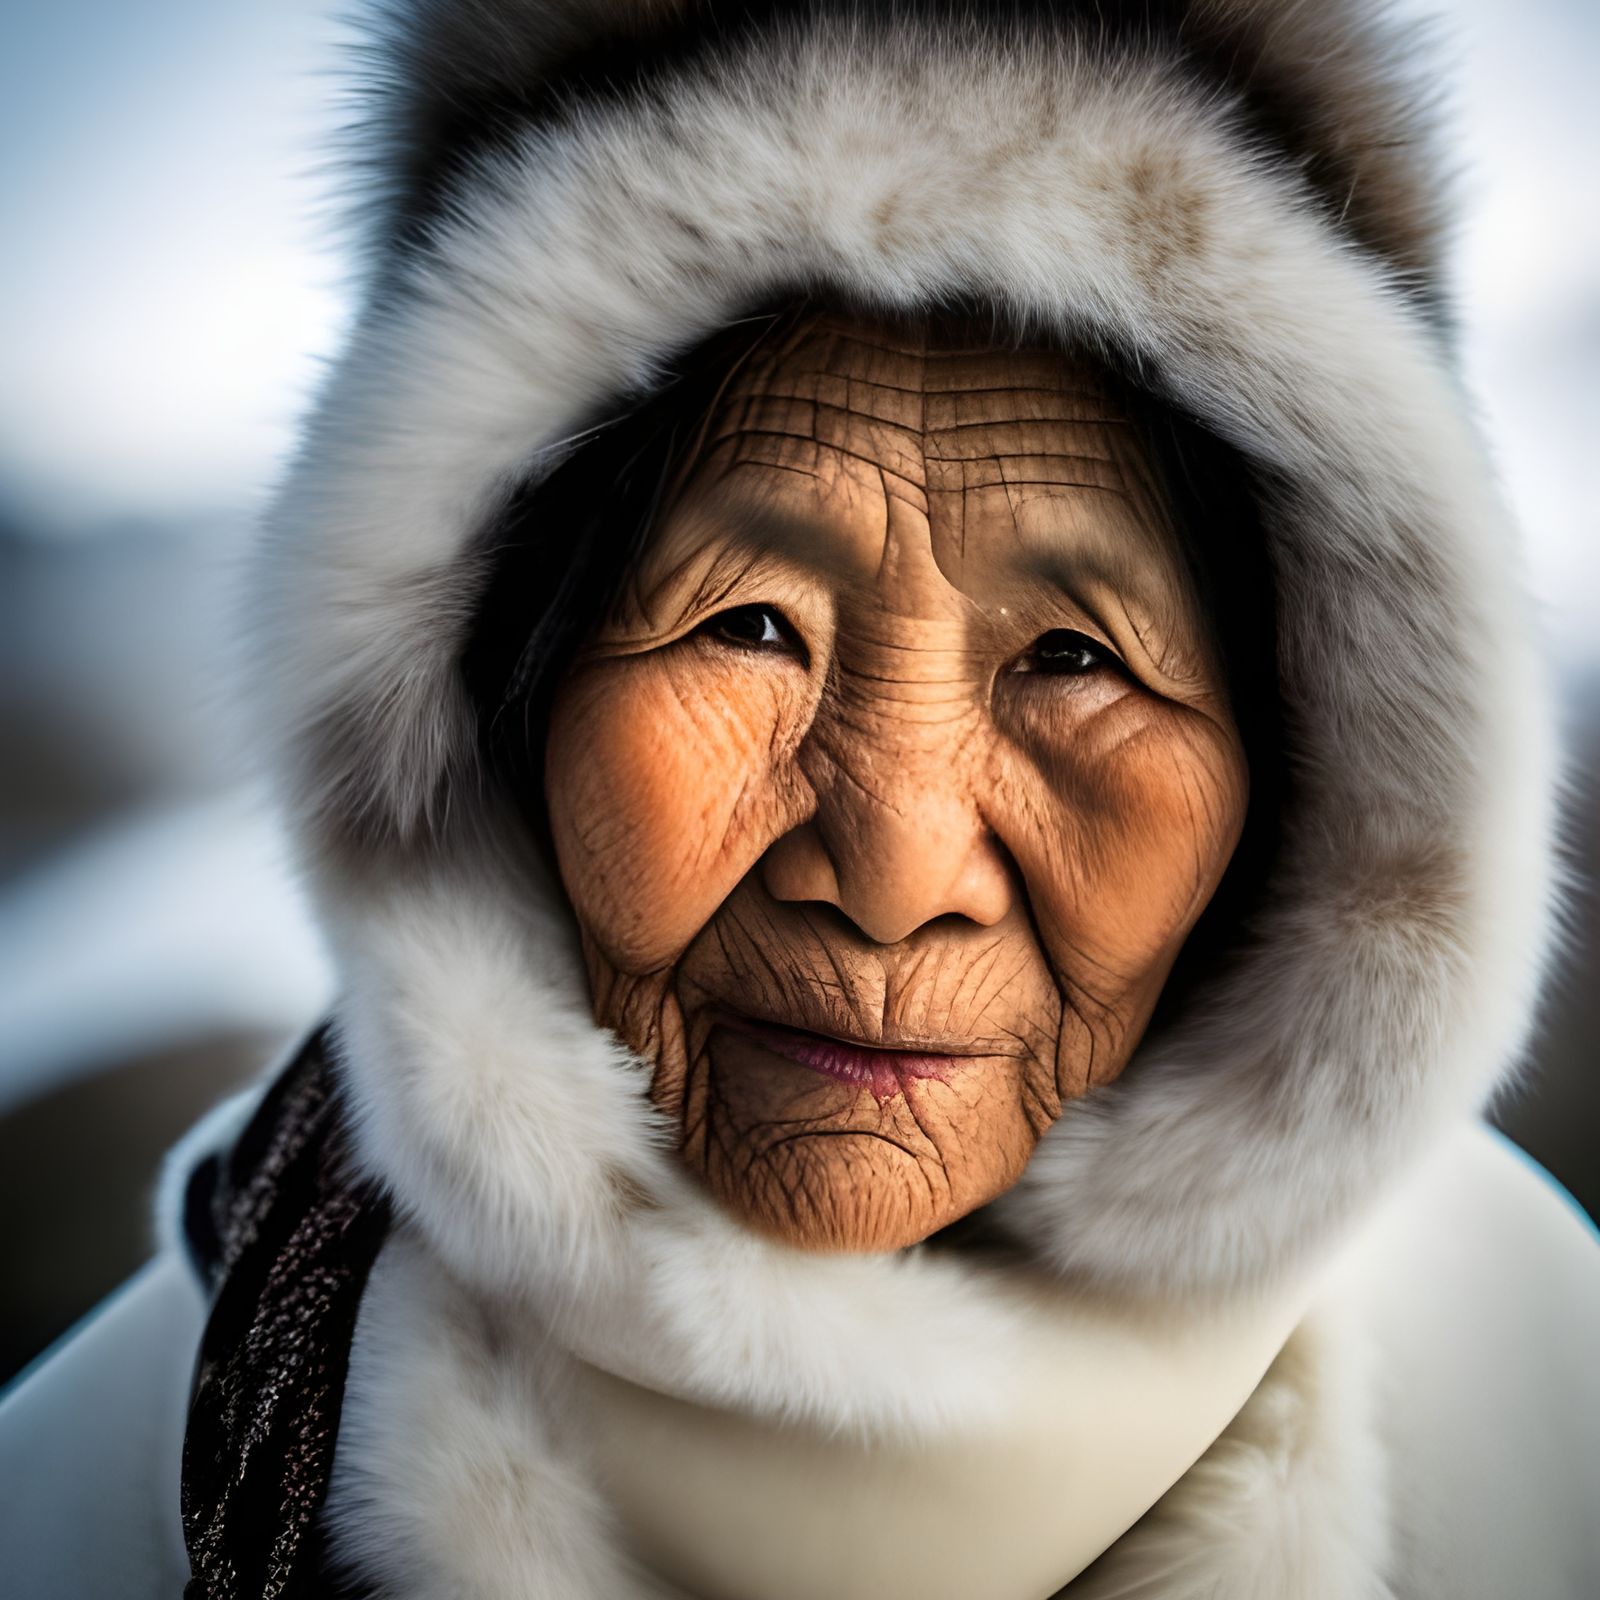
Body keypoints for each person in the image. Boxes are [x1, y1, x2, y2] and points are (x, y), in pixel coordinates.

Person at [3, 2, 1598, 1596]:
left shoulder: (1545, 1398)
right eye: (748, 625)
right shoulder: (108, 1487)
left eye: (1074, 658)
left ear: (1313, 778)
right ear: (493, 711)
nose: (896, 867)